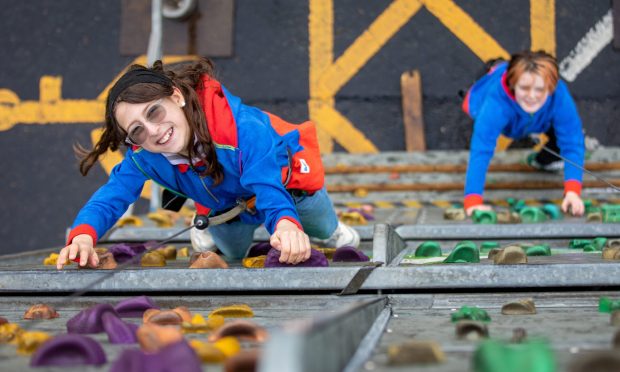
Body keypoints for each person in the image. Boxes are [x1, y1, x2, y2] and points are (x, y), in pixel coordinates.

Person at [56, 58, 359, 269]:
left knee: (321, 224)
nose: (153, 131)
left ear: (176, 97)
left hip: (286, 190)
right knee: (234, 253)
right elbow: (112, 197)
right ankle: (209, 228)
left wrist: (286, 225)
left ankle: (328, 229)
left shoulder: (244, 129)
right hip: (225, 208)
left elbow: (268, 186)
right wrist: (83, 233)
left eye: (154, 112)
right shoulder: (144, 156)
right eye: (137, 130)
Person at [461, 50, 585, 217]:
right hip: (502, 109)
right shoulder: (495, 103)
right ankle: (494, 67)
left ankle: (543, 160)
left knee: (562, 139)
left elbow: (572, 143)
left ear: (551, 87)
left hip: (540, 119)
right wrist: (473, 201)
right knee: (480, 129)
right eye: (524, 88)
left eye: (540, 90)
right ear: (513, 83)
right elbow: (481, 150)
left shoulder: (559, 96)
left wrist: (572, 192)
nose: (532, 96)